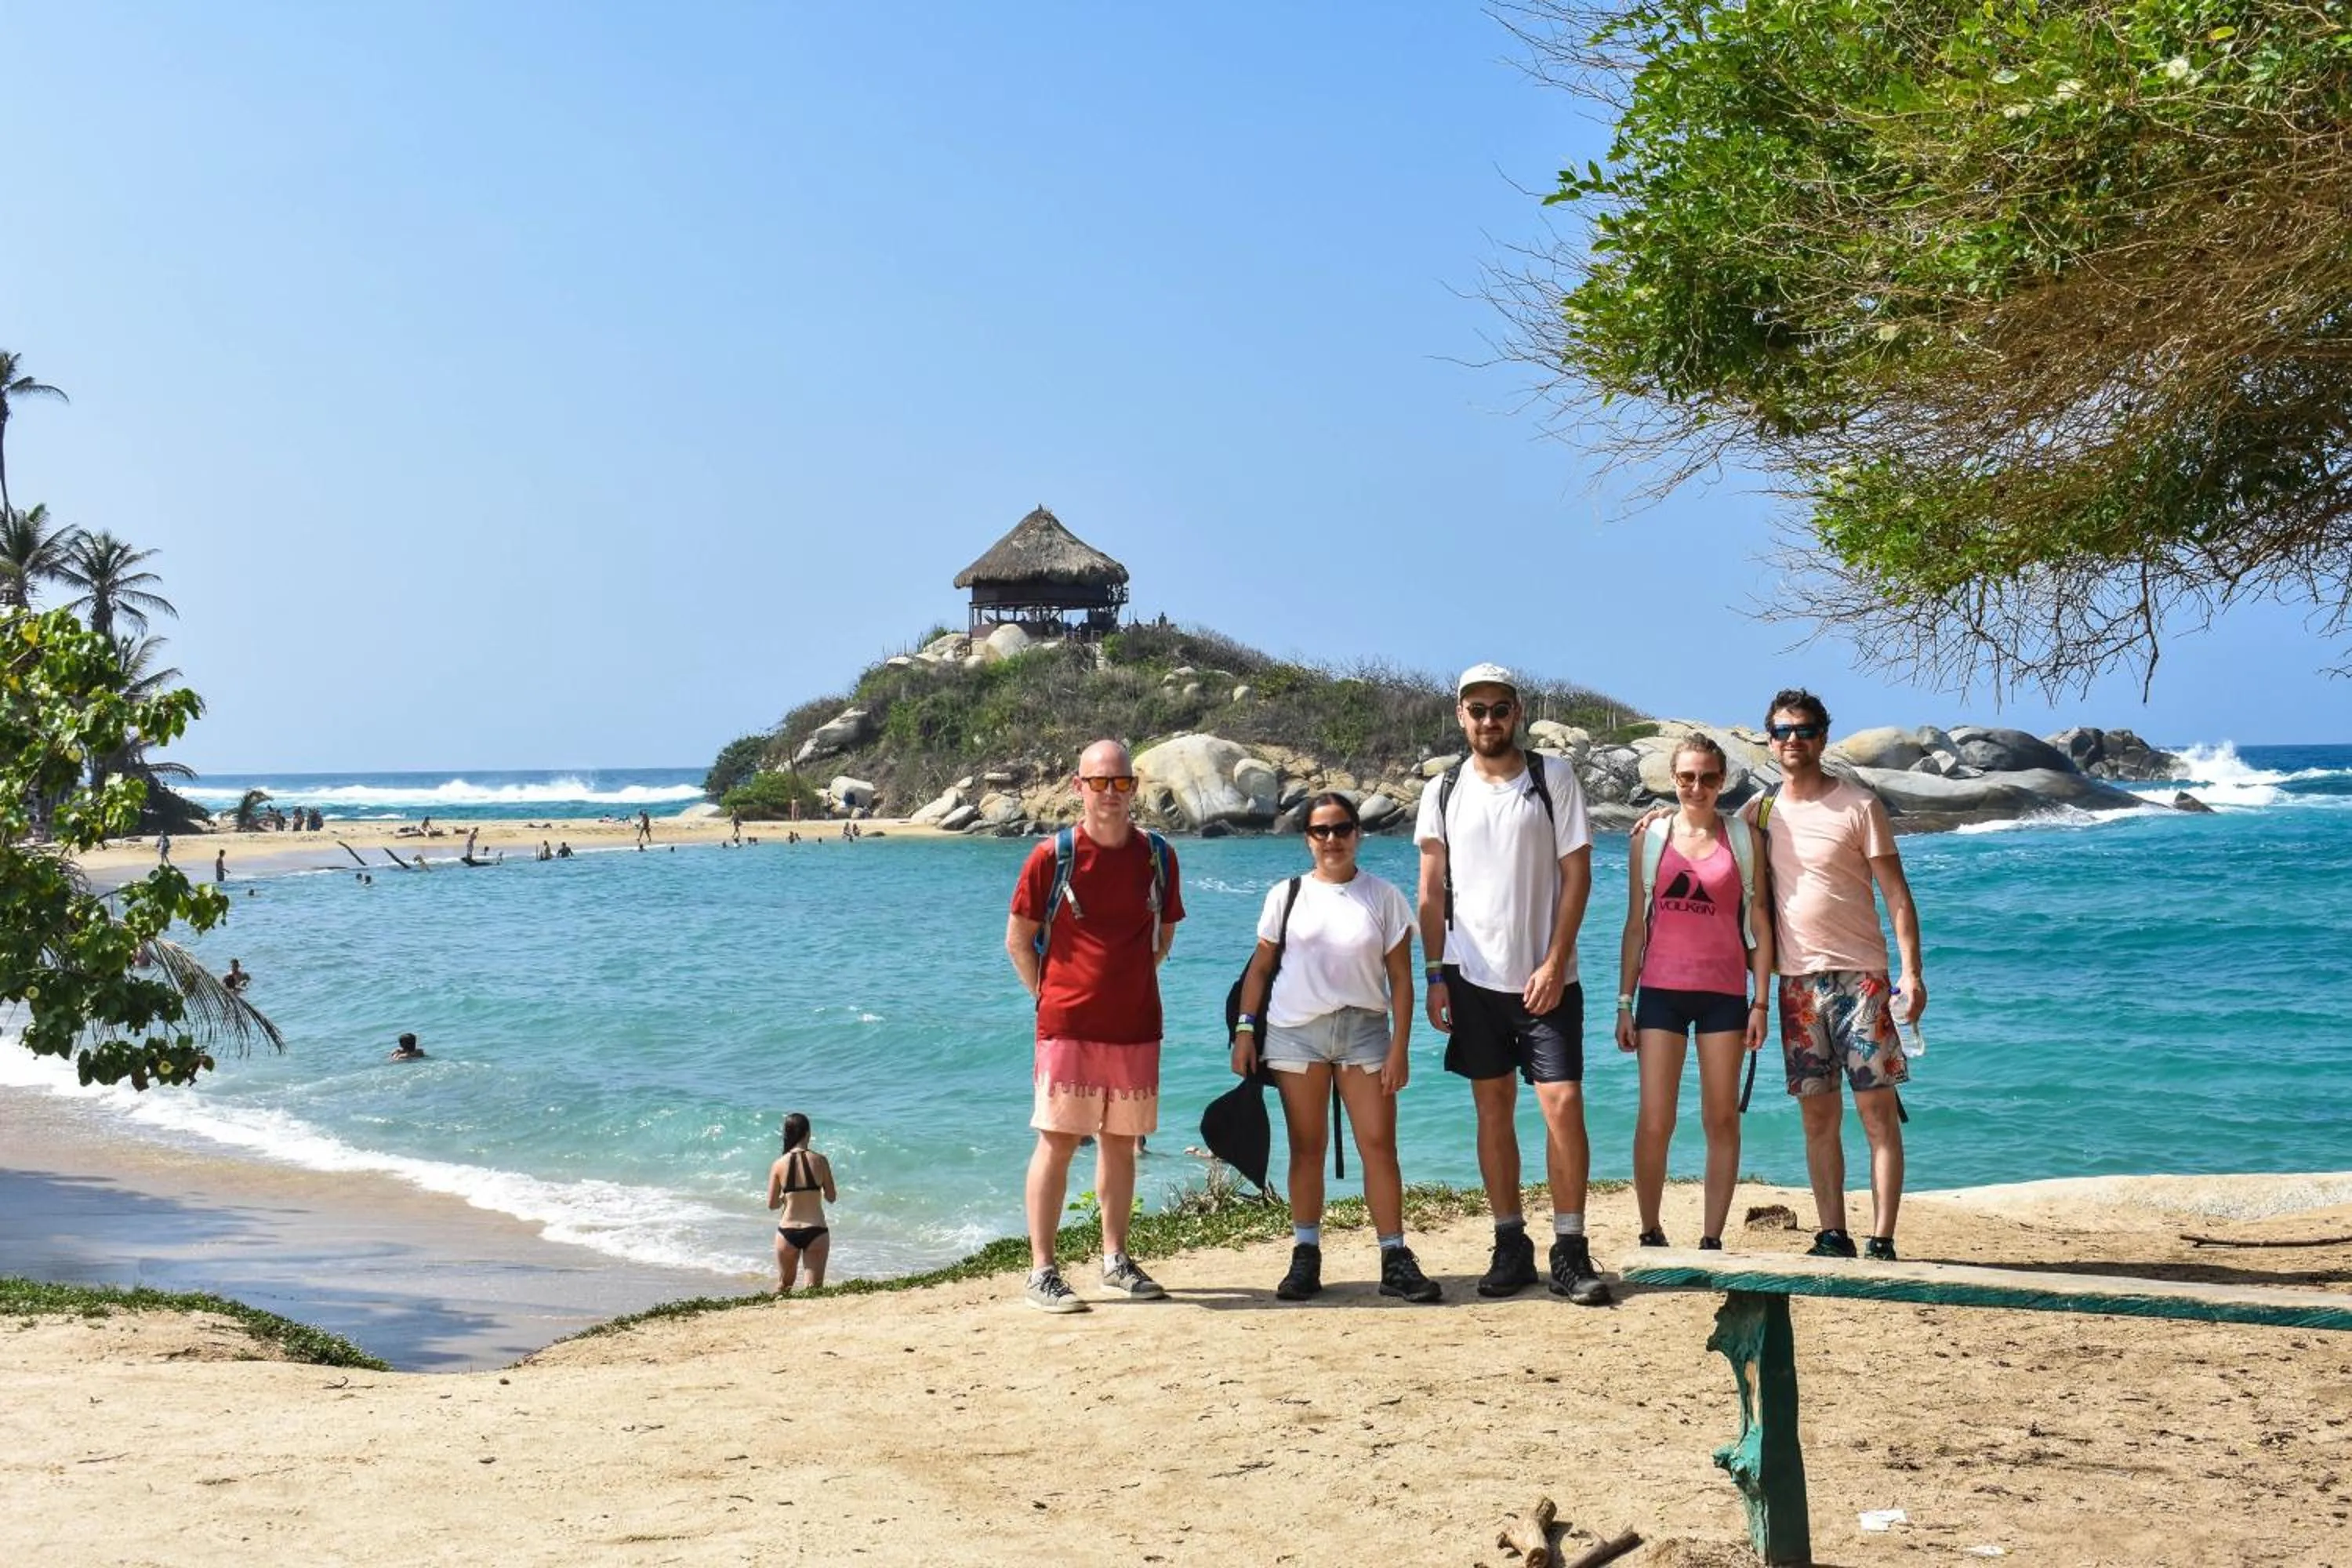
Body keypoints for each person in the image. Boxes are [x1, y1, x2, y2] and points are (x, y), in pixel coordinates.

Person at [1415, 662, 1609, 1305]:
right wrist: (1435, 974)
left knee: (1562, 1105)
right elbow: (1430, 889)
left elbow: (1577, 876)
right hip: (1471, 978)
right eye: (1477, 710)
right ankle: (1509, 1243)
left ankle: (1571, 1249)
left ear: (1517, 712)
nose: (1489, 721)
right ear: (1460, 715)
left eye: (1500, 709)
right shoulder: (1443, 790)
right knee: (1491, 1108)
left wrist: (1556, 961)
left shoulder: (1551, 778)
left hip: (1547, 978)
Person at [1232, 793, 1440, 1304]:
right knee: (1307, 1147)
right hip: (1294, 1030)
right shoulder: (1287, 894)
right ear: (1307, 837)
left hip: (1365, 1030)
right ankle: (1305, 1256)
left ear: (1357, 834)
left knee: (1378, 1145)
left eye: (1342, 829)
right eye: (1321, 831)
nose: (1332, 840)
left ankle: (1395, 1257)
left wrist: (1401, 1048)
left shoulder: (1384, 896)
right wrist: (1244, 1030)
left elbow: (1400, 979)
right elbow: (1260, 968)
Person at [1004, 739, 1184, 1313]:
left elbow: (1163, 936)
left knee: (1121, 1145)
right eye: (1099, 782)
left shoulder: (1157, 855)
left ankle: (1115, 1260)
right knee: (1056, 1143)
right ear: (1078, 786)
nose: (1111, 793)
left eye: (1122, 782)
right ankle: (1042, 1271)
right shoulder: (1050, 856)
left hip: (1136, 1026)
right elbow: (1017, 939)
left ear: (1135, 787)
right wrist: (1051, 995)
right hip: (1066, 1029)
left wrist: (1126, 981)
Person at [1751, 689, 1926, 1261]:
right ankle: (1833, 1233)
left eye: (1804, 731)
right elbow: (1700, 834)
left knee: (1877, 1111)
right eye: (1782, 732)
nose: (1793, 741)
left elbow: (1898, 897)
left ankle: (1882, 1237)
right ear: (1769, 740)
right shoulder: (1760, 813)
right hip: (1797, 985)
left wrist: (1912, 973)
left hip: (1863, 981)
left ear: (1823, 737)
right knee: (1817, 1116)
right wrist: (1657, 820)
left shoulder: (1859, 806)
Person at [1613, 734, 1774, 1251]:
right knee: (1656, 1118)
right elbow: (1635, 927)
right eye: (1687, 777)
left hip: (1725, 995)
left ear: (1722, 781)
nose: (1697, 787)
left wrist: (1761, 1001)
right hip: (1660, 992)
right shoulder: (1651, 838)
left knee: (1720, 1117)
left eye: (1708, 777)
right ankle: (1649, 1228)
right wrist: (1623, 1002)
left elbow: (1760, 922)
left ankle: (1711, 1238)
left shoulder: (1744, 839)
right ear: (1673, 780)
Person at [766, 1112, 838, 1291]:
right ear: (808, 1133)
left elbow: (772, 1204)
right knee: (813, 1290)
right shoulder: (821, 1161)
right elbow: (831, 1197)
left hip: (787, 1232)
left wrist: (785, 1199)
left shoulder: (779, 1164)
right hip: (817, 1231)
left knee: (784, 1286)